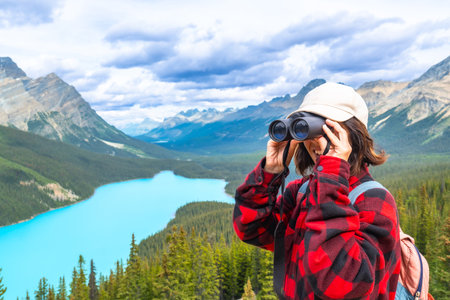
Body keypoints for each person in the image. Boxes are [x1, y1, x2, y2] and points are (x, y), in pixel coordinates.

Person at [233, 82, 401, 299]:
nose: (315, 140)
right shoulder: (301, 192)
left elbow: (336, 286)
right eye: (307, 128)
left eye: (328, 129)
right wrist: (270, 172)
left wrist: (331, 177)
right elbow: (251, 229)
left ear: (354, 136)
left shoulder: (375, 201)